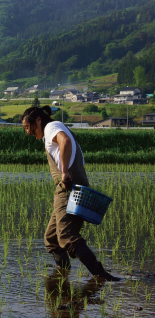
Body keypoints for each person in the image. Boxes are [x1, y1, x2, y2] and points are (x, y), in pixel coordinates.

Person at [21, 106, 119, 281]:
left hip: (67, 188)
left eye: (29, 127)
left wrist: (64, 172)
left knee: (66, 236)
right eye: (25, 129)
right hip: (69, 187)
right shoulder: (55, 127)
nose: (28, 132)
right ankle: (62, 274)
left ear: (38, 121)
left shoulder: (51, 127)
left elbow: (64, 141)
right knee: (51, 238)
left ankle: (100, 274)